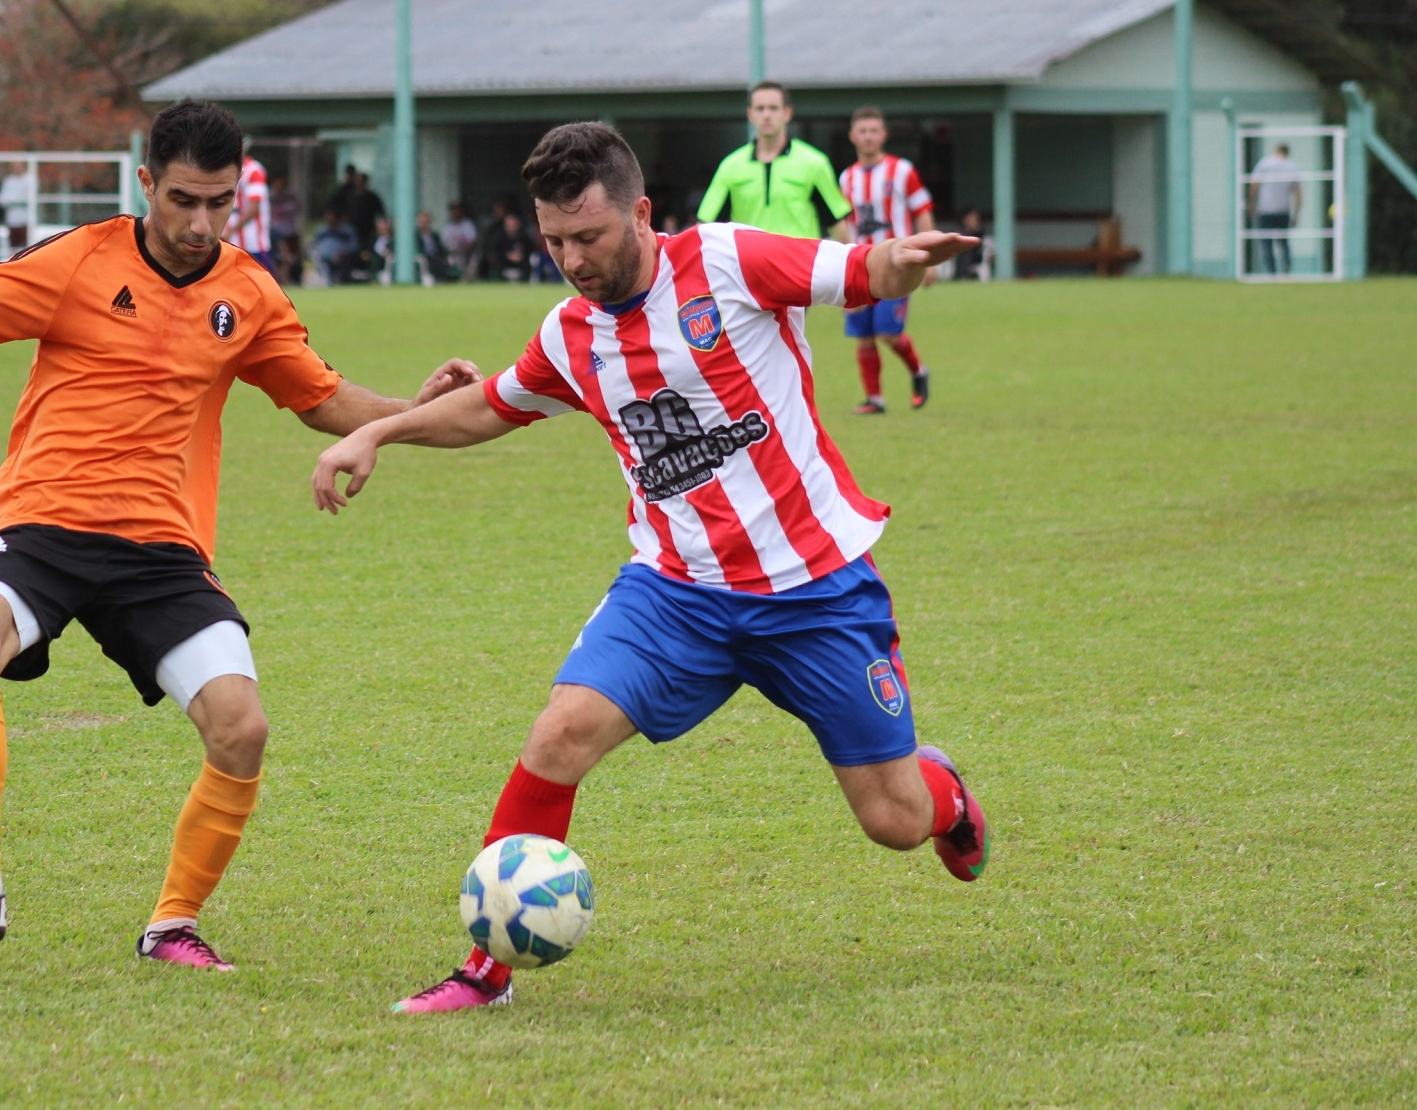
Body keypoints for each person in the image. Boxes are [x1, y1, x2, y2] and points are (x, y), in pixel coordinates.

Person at [0, 99, 480, 970]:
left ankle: (171, 925)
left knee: (242, 728)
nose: (202, 223)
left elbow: (323, 399)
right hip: (45, 524)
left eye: (221, 203)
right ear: (145, 182)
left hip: (160, 549)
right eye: (184, 199)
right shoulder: (82, 259)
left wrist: (409, 413)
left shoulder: (247, 294)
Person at [307, 122, 986, 1015]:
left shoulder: (727, 261)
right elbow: (492, 408)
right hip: (675, 593)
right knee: (557, 737)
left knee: (895, 821)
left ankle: (945, 794)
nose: (572, 259)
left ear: (640, 212)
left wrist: (903, 260)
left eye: (588, 236)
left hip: (813, 588)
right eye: (554, 241)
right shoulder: (572, 333)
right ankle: (487, 971)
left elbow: (861, 273)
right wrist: (381, 429)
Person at [839, 107, 935, 415]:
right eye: (862, 131)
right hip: (860, 264)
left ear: (884, 135)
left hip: (897, 265)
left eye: (874, 130)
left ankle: (918, 370)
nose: (868, 136)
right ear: (853, 136)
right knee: (863, 335)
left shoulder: (902, 171)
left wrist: (930, 259)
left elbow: (922, 211)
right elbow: (845, 224)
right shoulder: (847, 178)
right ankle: (874, 399)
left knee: (887, 332)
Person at [696, 81, 852, 243]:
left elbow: (837, 226)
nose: (767, 115)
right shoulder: (730, 166)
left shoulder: (814, 163)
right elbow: (704, 228)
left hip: (798, 265)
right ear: (750, 114)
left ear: (787, 113)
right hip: (748, 266)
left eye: (773, 108)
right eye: (760, 108)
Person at [1247, 144, 1301, 275]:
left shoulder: (1264, 164)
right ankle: (1286, 267)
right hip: (1283, 210)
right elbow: (1298, 193)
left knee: (1267, 243)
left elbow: (1254, 186)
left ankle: (1271, 271)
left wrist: (1251, 205)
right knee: (1283, 242)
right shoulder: (1291, 167)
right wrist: (1296, 214)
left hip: (1265, 210)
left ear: (1276, 150)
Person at [225, 148, 273, 275]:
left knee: (260, 287)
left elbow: (254, 208)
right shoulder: (223, 169)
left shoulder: (253, 171)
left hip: (253, 243)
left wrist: (231, 229)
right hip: (231, 242)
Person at [312, 209, 359, 285]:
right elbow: (314, 245)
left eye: (332, 217)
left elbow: (353, 246)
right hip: (324, 259)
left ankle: (339, 280)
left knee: (347, 261)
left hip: (342, 258)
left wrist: (342, 253)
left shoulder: (346, 230)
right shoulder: (322, 230)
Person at [485, 212, 534, 282]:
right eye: (509, 225)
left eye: (513, 225)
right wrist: (507, 256)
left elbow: (531, 251)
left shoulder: (525, 238)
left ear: (518, 224)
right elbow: (493, 252)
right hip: (504, 265)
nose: (511, 227)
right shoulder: (499, 238)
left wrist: (521, 256)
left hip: (521, 266)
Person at [0, 163, 34, 251]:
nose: (17, 168)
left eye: (19, 165)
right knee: (12, 250)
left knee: (27, 249)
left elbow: (29, 199)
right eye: (14, 166)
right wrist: (18, 198)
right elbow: (2, 201)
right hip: (12, 222)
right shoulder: (8, 181)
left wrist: (12, 199)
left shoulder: (30, 180)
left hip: (25, 221)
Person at [439, 202, 478, 279]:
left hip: (466, 255)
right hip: (451, 255)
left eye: (457, 210)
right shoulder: (447, 227)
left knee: (473, 261)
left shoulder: (468, 225)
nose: (455, 212)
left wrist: (464, 251)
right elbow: (443, 244)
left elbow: (473, 242)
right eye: (453, 210)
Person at [414, 209, 449, 282]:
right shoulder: (415, 237)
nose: (424, 224)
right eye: (422, 221)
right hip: (425, 261)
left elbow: (441, 250)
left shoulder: (435, 236)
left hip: (437, 260)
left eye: (426, 221)